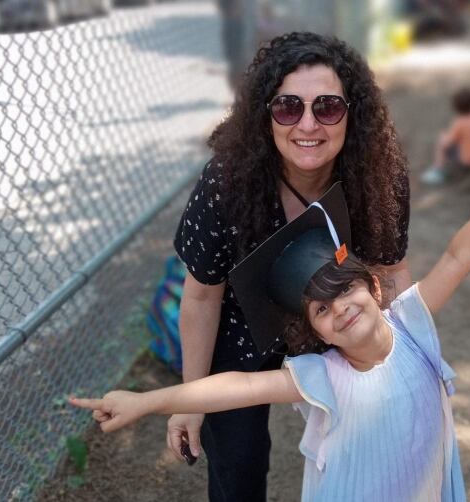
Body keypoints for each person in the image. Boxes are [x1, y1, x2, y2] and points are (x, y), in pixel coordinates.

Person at [70, 134, 470, 502]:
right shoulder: (325, 375)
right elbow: (237, 386)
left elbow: (458, 256)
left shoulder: (412, 325)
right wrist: (148, 402)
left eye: (344, 289)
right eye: (321, 309)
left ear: (371, 285)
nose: (340, 308)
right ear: (313, 332)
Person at [168, 32, 412, 501]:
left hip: (336, 322)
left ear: (350, 114)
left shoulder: (380, 177)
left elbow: (393, 270)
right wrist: (190, 400)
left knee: (364, 446)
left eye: (327, 107)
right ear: (266, 117)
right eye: (287, 107)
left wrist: (403, 361)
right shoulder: (226, 183)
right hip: (239, 330)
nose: (307, 124)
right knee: (237, 465)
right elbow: (201, 296)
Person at [420, 87, 470, 186]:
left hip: (467, 160)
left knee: (442, 141)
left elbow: (449, 142)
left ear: (455, 106)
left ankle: (438, 170)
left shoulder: (460, 123)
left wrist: (443, 137)